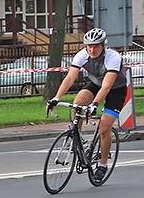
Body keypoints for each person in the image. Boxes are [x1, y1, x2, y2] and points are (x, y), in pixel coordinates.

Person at [47, 27, 127, 183]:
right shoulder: (82, 55)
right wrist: (56, 98)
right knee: (77, 103)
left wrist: (95, 104)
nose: (92, 49)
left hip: (115, 89)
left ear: (103, 45)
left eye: (96, 45)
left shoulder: (113, 57)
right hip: (96, 84)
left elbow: (107, 86)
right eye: (89, 46)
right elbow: (70, 79)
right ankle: (79, 140)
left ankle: (103, 165)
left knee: (104, 127)